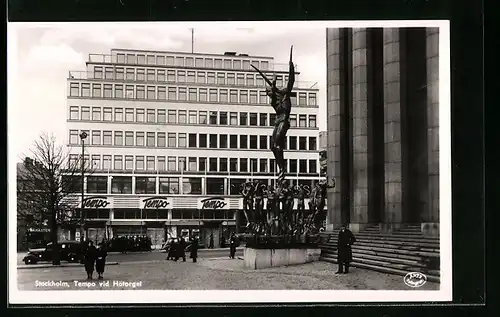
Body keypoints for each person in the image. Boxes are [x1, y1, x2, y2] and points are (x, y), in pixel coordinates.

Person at [251, 46, 295, 181]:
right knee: (272, 147)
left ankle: (282, 169)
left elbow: (291, 80)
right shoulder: (274, 102)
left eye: (269, 91)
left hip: (284, 122)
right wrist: (274, 82)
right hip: (277, 122)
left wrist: (291, 67)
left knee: (277, 145)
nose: (269, 94)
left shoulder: (286, 96)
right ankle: (281, 167)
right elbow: (275, 96)